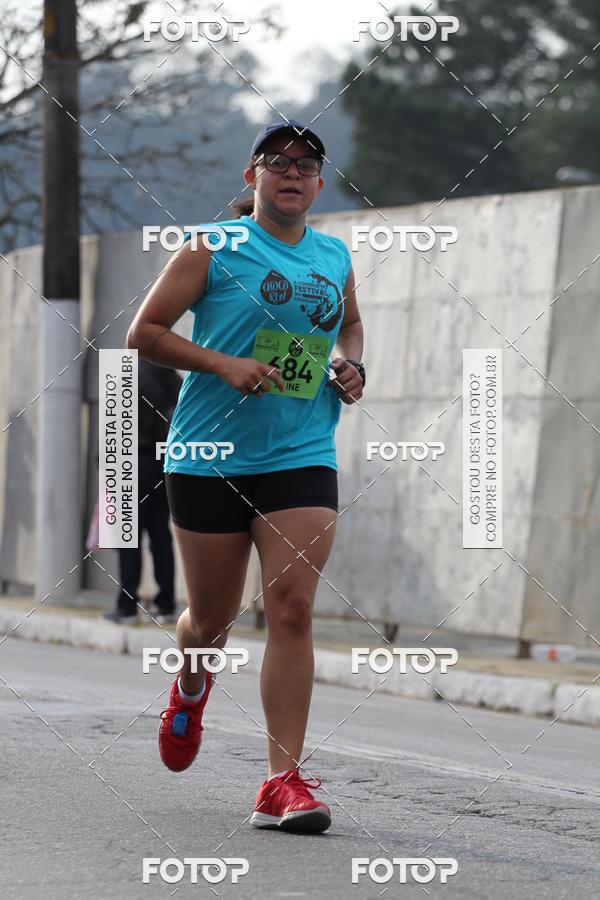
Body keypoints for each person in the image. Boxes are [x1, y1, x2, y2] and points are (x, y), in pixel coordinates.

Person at [126, 118, 365, 833]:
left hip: (301, 451)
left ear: (319, 183)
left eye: (305, 164)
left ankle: (280, 782)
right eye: (276, 162)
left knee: (292, 606)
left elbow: (350, 325)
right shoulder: (213, 245)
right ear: (251, 176)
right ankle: (192, 681)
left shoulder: (333, 254)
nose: (291, 172)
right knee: (213, 619)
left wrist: (351, 365)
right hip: (208, 454)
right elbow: (145, 332)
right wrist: (225, 364)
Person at [104, 359, 182, 625]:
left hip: (131, 461)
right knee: (161, 536)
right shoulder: (172, 375)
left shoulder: (128, 373)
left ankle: (126, 607)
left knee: (128, 539)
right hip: (166, 462)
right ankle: (166, 605)